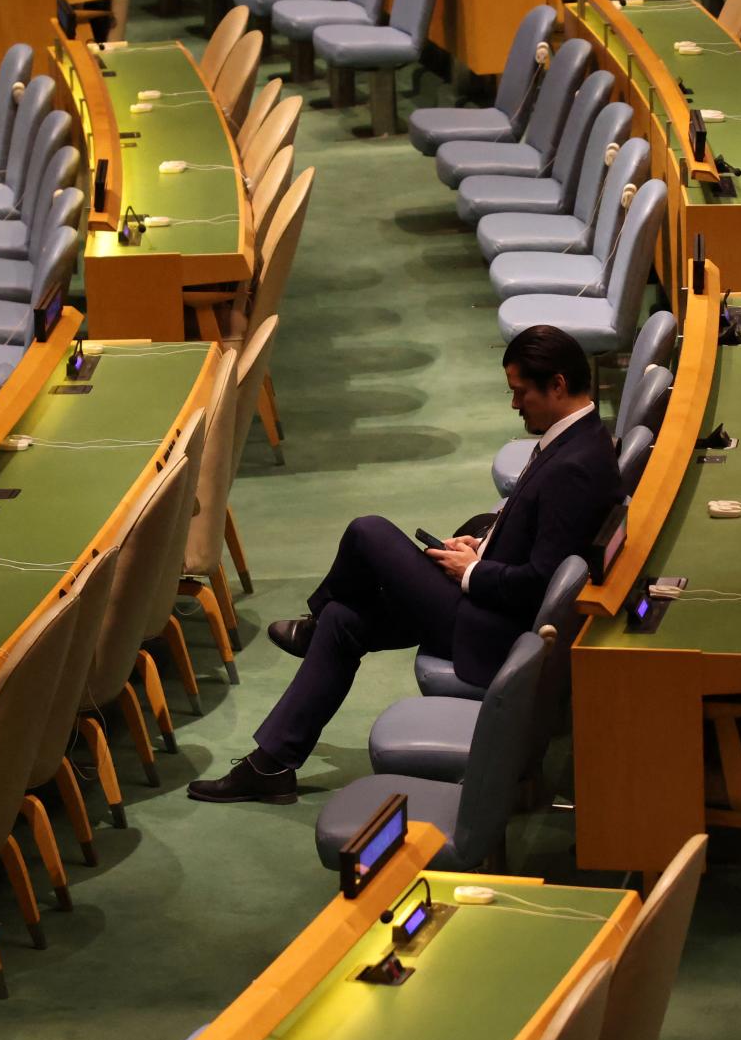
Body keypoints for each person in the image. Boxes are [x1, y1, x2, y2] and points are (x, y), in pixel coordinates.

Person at [189, 325, 622, 805]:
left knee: (367, 532)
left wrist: (472, 572)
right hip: (486, 602)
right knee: (345, 621)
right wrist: (482, 544)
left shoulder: (573, 466)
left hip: (492, 630)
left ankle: (312, 625)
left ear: (557, 385)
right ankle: (271, 765)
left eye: (521, 392)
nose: (515, 405)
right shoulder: (581, 438)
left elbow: (540, 584)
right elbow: (540, 534)